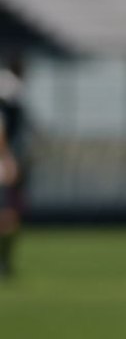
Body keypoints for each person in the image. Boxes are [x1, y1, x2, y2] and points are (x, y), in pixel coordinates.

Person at [0, 54, 29, 279]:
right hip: (4, 162)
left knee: (11, 215)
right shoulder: (9, 91)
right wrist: (8, 158)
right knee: (9, 215)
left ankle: (5, 263)